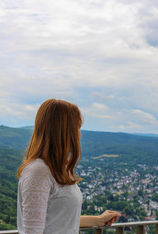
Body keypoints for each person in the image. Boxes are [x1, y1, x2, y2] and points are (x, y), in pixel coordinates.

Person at [17, 99, 121, 234]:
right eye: (77, 128)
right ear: (65, 132)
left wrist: (99, 220)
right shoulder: (39, 171)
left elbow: (60, 221)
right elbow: (32, 231)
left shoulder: (58, 170)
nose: (79, 134)